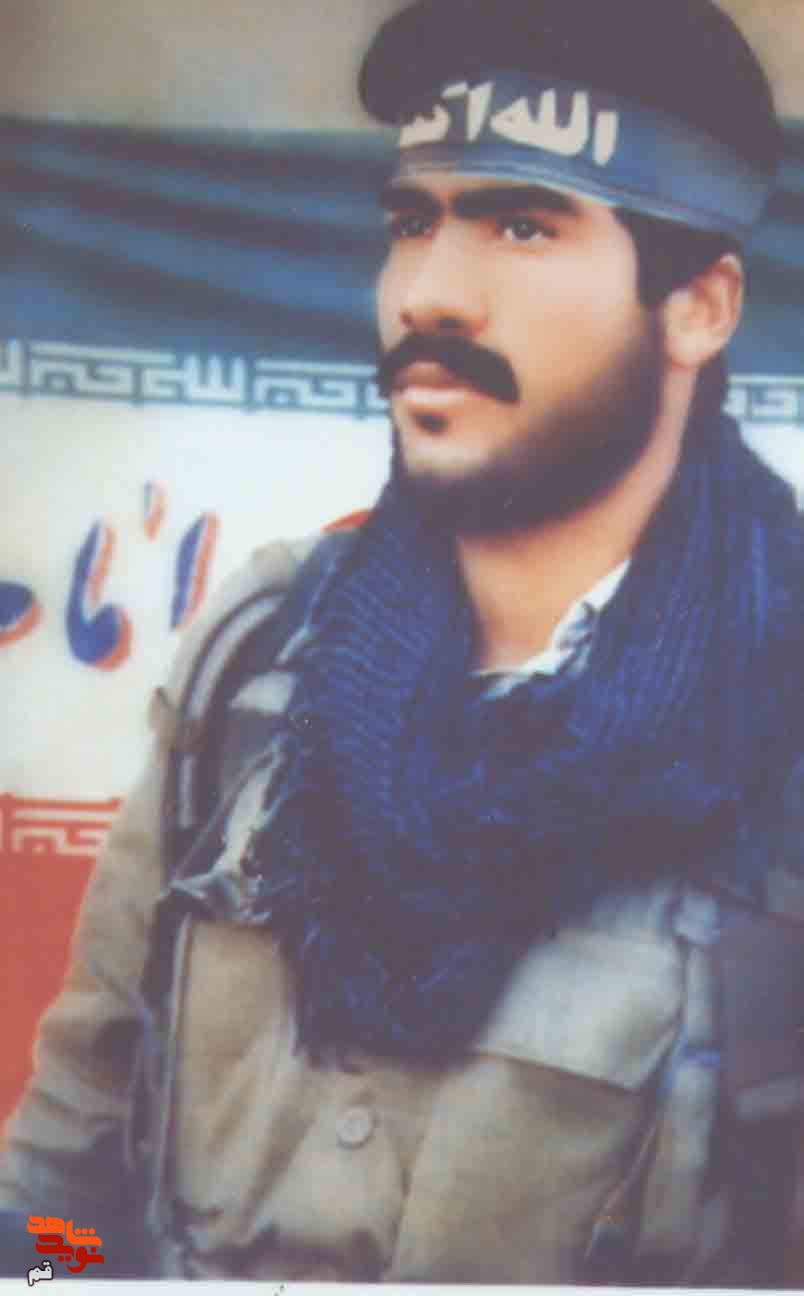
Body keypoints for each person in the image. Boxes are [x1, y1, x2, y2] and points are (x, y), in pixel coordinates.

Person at [2, 0, 804, 1283]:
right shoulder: (259, 661)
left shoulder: (778, 721)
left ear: (700, 306)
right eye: (413, 223)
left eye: (523, 226)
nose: (428, 292)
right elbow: (63, 1187)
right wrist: (53, 1276)